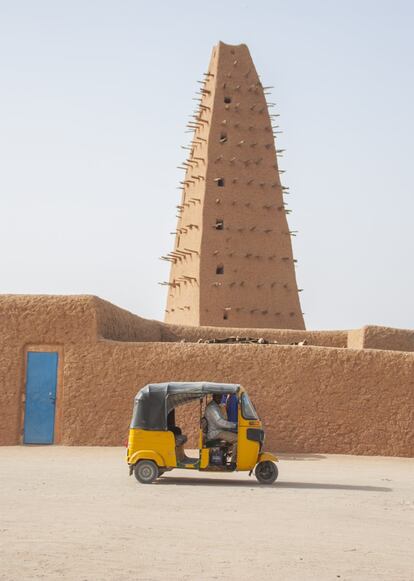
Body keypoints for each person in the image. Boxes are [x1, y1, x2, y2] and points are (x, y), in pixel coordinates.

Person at [205, 394, 237, 464]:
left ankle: (226, 455)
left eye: (221, 396)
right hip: (215, 432)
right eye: (219, 396)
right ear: (215, 396)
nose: (220, 398)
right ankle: (233, 462)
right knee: (238, 439)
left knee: (234, 434)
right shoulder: (212, 408)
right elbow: (219, 422)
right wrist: (234, 425)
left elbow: (223, 420)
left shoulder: (216, 406)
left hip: (218, 430)